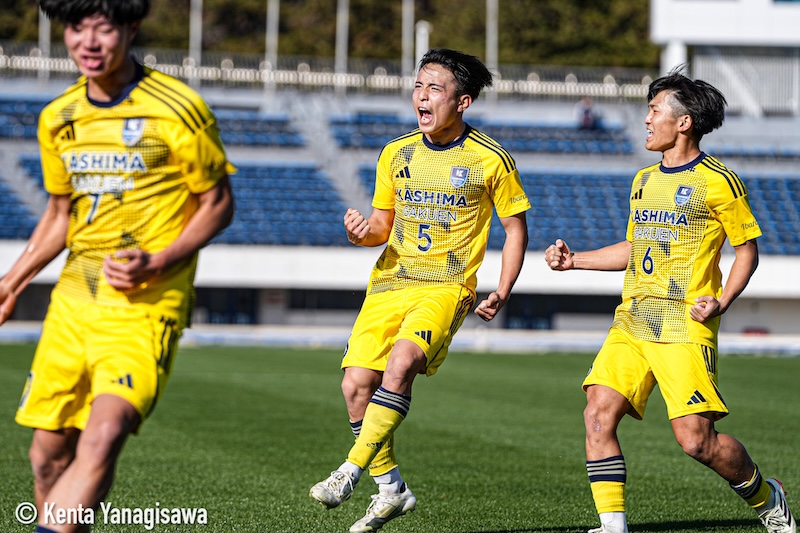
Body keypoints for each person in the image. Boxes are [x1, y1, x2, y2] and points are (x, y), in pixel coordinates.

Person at [0, 1, 235, 531]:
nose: (89, 41)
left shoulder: (178, 107)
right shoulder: (57, 117)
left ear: (130, 29)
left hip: (146, 307)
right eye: (76, 27)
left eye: (103, 27)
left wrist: (160, 258)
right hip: (73, 304)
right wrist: (12, 281)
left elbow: (218, 202)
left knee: (104, 434)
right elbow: (61, 213)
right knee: (46, 457)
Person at [545, 70, 795, 533]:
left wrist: (720, 301)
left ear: (683, 122)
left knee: (697, 442)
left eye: (655, 110)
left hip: (684, 325)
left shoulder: (719, 181)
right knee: (597, 413)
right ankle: (613, 526)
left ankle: (767, 497)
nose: (646, 119)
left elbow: (747, 250)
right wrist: (574, 260)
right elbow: (633, 247)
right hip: (633, 321)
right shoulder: (642, 180)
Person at [309, 48, 530, 532]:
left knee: (403, 362)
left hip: (447, 286)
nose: (422, 97)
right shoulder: (396, 152)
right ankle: (392, 490)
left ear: (463, 101)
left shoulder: (491, 160)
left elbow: (516, 229)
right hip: (389, 282)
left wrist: (503, 288)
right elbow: (381, 227)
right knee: (355, 386)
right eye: (418, 86)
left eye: (435, 88)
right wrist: (359, 231)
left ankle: (349, 470)